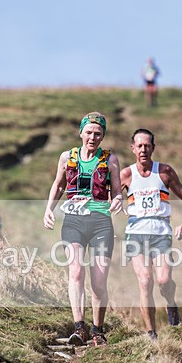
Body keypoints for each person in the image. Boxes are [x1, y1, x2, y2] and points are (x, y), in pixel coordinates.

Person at [43, 112, 124, 346]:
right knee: (76, 272)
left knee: (98, 282)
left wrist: (118, 200)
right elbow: (58, 185)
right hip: (73, 222)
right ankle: (80, 328)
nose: (92, 137)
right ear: (80, 133)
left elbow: (117, 191)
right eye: (88, 132)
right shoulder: (67, 157)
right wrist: (49, 209)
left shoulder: (110, 160)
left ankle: (98, 330)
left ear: (103, 136)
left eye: (98, 134)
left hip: (100, 223)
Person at [120, 128, 182, 340]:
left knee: (163, 280)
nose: (143, 150)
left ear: (153, 148)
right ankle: (151, 333)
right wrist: (115, 202)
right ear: (133, 148)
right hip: (135, 235)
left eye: (147, 146)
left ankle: (171, 304)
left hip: (160, 234)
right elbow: (109, 196)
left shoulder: (164, 172)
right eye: (139, 146)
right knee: (145, 281)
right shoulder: (126, 174)